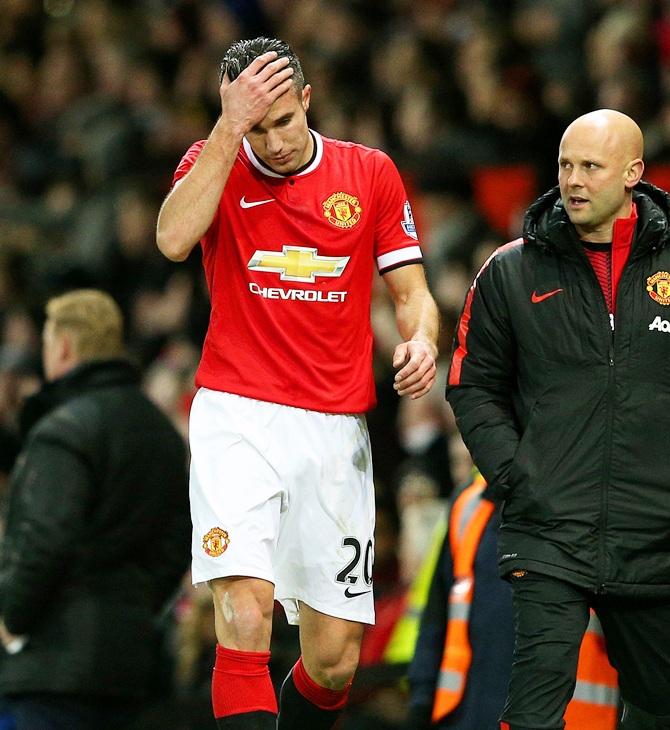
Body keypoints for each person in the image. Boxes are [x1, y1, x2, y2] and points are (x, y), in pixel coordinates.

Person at [156, 36, 439, 730]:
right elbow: (171, 238)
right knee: (244, 607)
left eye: (284, 120)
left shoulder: (368, 173)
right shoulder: (210, 162)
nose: (275, 141)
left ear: (307, 100)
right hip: (237, 414)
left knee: (337, 658)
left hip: (335, 424)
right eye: (257, 126)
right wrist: (228, 131)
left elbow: (411, 289)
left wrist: (422, 339)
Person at [446, 107, 670, 730]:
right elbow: (472, 385)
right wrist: (519, 476)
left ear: (632, 173)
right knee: (536, 704)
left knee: (659, 706)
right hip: (549, 528)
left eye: (591, 167)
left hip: (657, 535)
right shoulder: (511, 271)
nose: (573, 180)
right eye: (566, 165)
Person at [0, 289, 191, 730]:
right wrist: (137, 607)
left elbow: (46, 538)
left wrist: (13, 615)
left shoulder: (63, 429)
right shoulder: (161, 433)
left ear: (63, 346)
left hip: (53, 666)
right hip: (131, 664)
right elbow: (179, 541)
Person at [406, 471, 619, 729]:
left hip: (571, 721)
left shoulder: (609, 506)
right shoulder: (469, 503)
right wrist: (420, 704)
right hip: (468, 717)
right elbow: (435, 622)